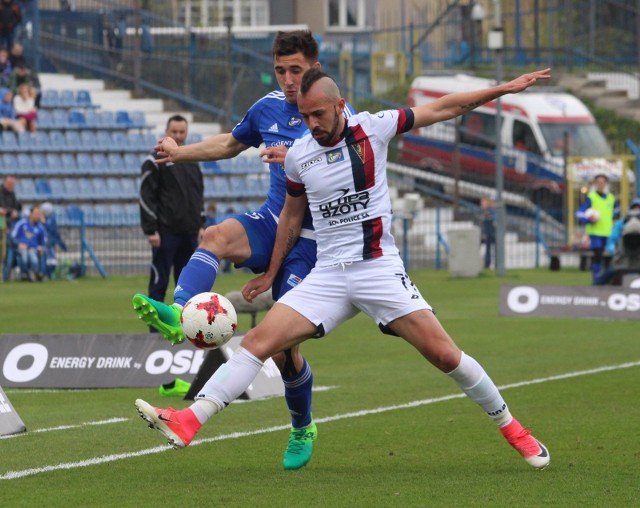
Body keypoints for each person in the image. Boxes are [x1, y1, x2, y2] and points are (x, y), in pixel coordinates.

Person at [134, 67, 553, 471]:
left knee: (445, 355)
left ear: (341, 106)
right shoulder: (299, 156)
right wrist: (270, 272)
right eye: (304, 116)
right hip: (329, 275)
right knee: (259, 342)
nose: (310, 123)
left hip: (378, 268)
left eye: (318, 114)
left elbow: (443, 108)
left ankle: (513, 428)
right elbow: (291, 220)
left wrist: (502, 90)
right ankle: (189, 421)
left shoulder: (375, 127)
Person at [131, 29, 355, 471]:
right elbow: (231, 144)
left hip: (313, 243)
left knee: (281, 349)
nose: (289, 79)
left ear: (315, 66)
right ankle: (179, 310)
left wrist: (295, 156)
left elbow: (352, 167)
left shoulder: (337, 115)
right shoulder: (267, 108)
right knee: (213, 236)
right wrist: (180, 153)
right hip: (273, 222)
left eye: (297, 70)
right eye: (280, 70)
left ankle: (301, 424)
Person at [139, 114, 205, 323]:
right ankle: (154, 334)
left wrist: (201, 223)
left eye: (181, 132)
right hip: (165, 233)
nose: (177, 135)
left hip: (189, 233)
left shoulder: (191, 160)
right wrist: (150, 229)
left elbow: (198, 194)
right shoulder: (154, 160)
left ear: (186, 133)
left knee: (187, 287)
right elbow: (146, 196)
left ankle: (186, 331)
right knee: (159, 284)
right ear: (166, 133)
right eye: (174, 132)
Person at [576, 173, 619, 283]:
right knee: (597, 255)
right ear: (595, 184)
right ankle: (596, 280)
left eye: (603, 182)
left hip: (609, 233)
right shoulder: (591, 197)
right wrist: (589, 219)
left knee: (609, 258)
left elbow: (616, 212)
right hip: (595, 233)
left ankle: (607, 280)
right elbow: (580, 213)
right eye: (598, 182)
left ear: (606, 184)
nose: (600, 184)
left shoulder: (611, 198)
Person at [594, 197, 640, 285]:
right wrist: (613, 251)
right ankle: (592, 292)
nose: (637, 210)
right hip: (623, 258)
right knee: (604, 277)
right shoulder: (621, 223)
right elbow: (612, 239)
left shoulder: (622, 223)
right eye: (635, 208)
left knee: (607, 274)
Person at [11, 203, 46, 281]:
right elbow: (13, 236)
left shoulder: (40, 227)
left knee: (34, 258)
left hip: (34, 248)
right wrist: (19, 244)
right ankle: (25, 275)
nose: (38, 216)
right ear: (31, 214)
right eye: (36, 214)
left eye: (39, 214)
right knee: (24, 257)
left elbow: (43, 241)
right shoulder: (22, 223)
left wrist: (41, 248)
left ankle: (36, 275)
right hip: (21, 247)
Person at [0, 174, 21, 280]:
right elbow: (2, 209)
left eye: (14, 184)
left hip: (9, 225)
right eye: (11, 184)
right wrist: (10, 212)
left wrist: (14, 211)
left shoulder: (12, 194)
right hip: (3, 225)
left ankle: (6, 274)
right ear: (6, 183)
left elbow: (15, 207)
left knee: (8, 249)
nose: (13, 186)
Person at [40, 201, 67, 279]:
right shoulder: (45, 219)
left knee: (50, 259)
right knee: (47, 258)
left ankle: (49, 275)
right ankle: (46, 274)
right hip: (45, 242)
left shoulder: (51, 219)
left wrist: (61, 243)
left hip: (50, 242)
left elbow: (53, 231)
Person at [479, 197, 496, 269]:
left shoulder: (489, 212)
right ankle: (487, 263)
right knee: (488, 248)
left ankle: (488, 263)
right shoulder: (485, 212)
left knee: (489, 248)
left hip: (489, 232)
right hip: (487, 232)